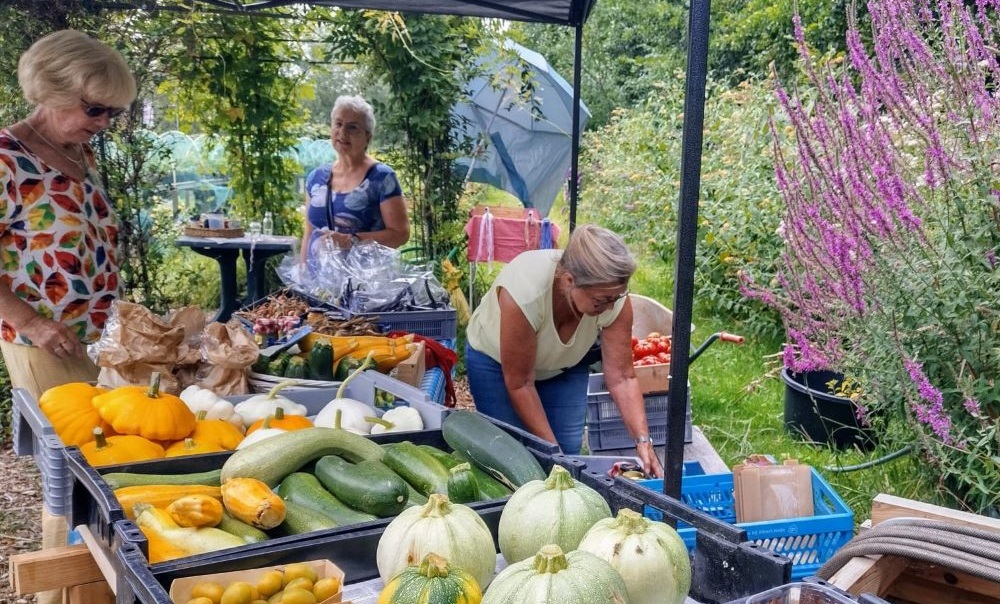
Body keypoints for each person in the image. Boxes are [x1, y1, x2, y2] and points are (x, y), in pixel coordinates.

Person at [0, 29, 136, 604]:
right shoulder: (8, 156)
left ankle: (93, 584)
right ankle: (65, 592)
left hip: (94, 340)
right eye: (94, 108)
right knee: (72, 472)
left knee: (97, 465)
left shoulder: (76, 152)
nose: (103, 122)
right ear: (51, 89)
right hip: (42, 342)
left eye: (112, 112)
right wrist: (31, 322)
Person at [465, 224, 664, 477]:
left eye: (616, 297)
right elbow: (520, 383)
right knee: (512, 456)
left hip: (563, 365)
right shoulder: (525, 293)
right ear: (570, 280)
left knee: (568, 452)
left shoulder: (612, 298)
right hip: (495, 364)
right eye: (601, 300)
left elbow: (623, 377)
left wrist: (643, 441)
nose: (610, 306)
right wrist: (555, 457)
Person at [300, 95, 409, 264]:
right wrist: (302, 274)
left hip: (365, 285)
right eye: (338, 124)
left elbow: (400, 234)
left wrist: (350, 240)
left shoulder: (382, 178)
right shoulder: (316, 178)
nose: (343, 132)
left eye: (352, 128)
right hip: (318, 287)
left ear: (368, 137)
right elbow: (309, 233)